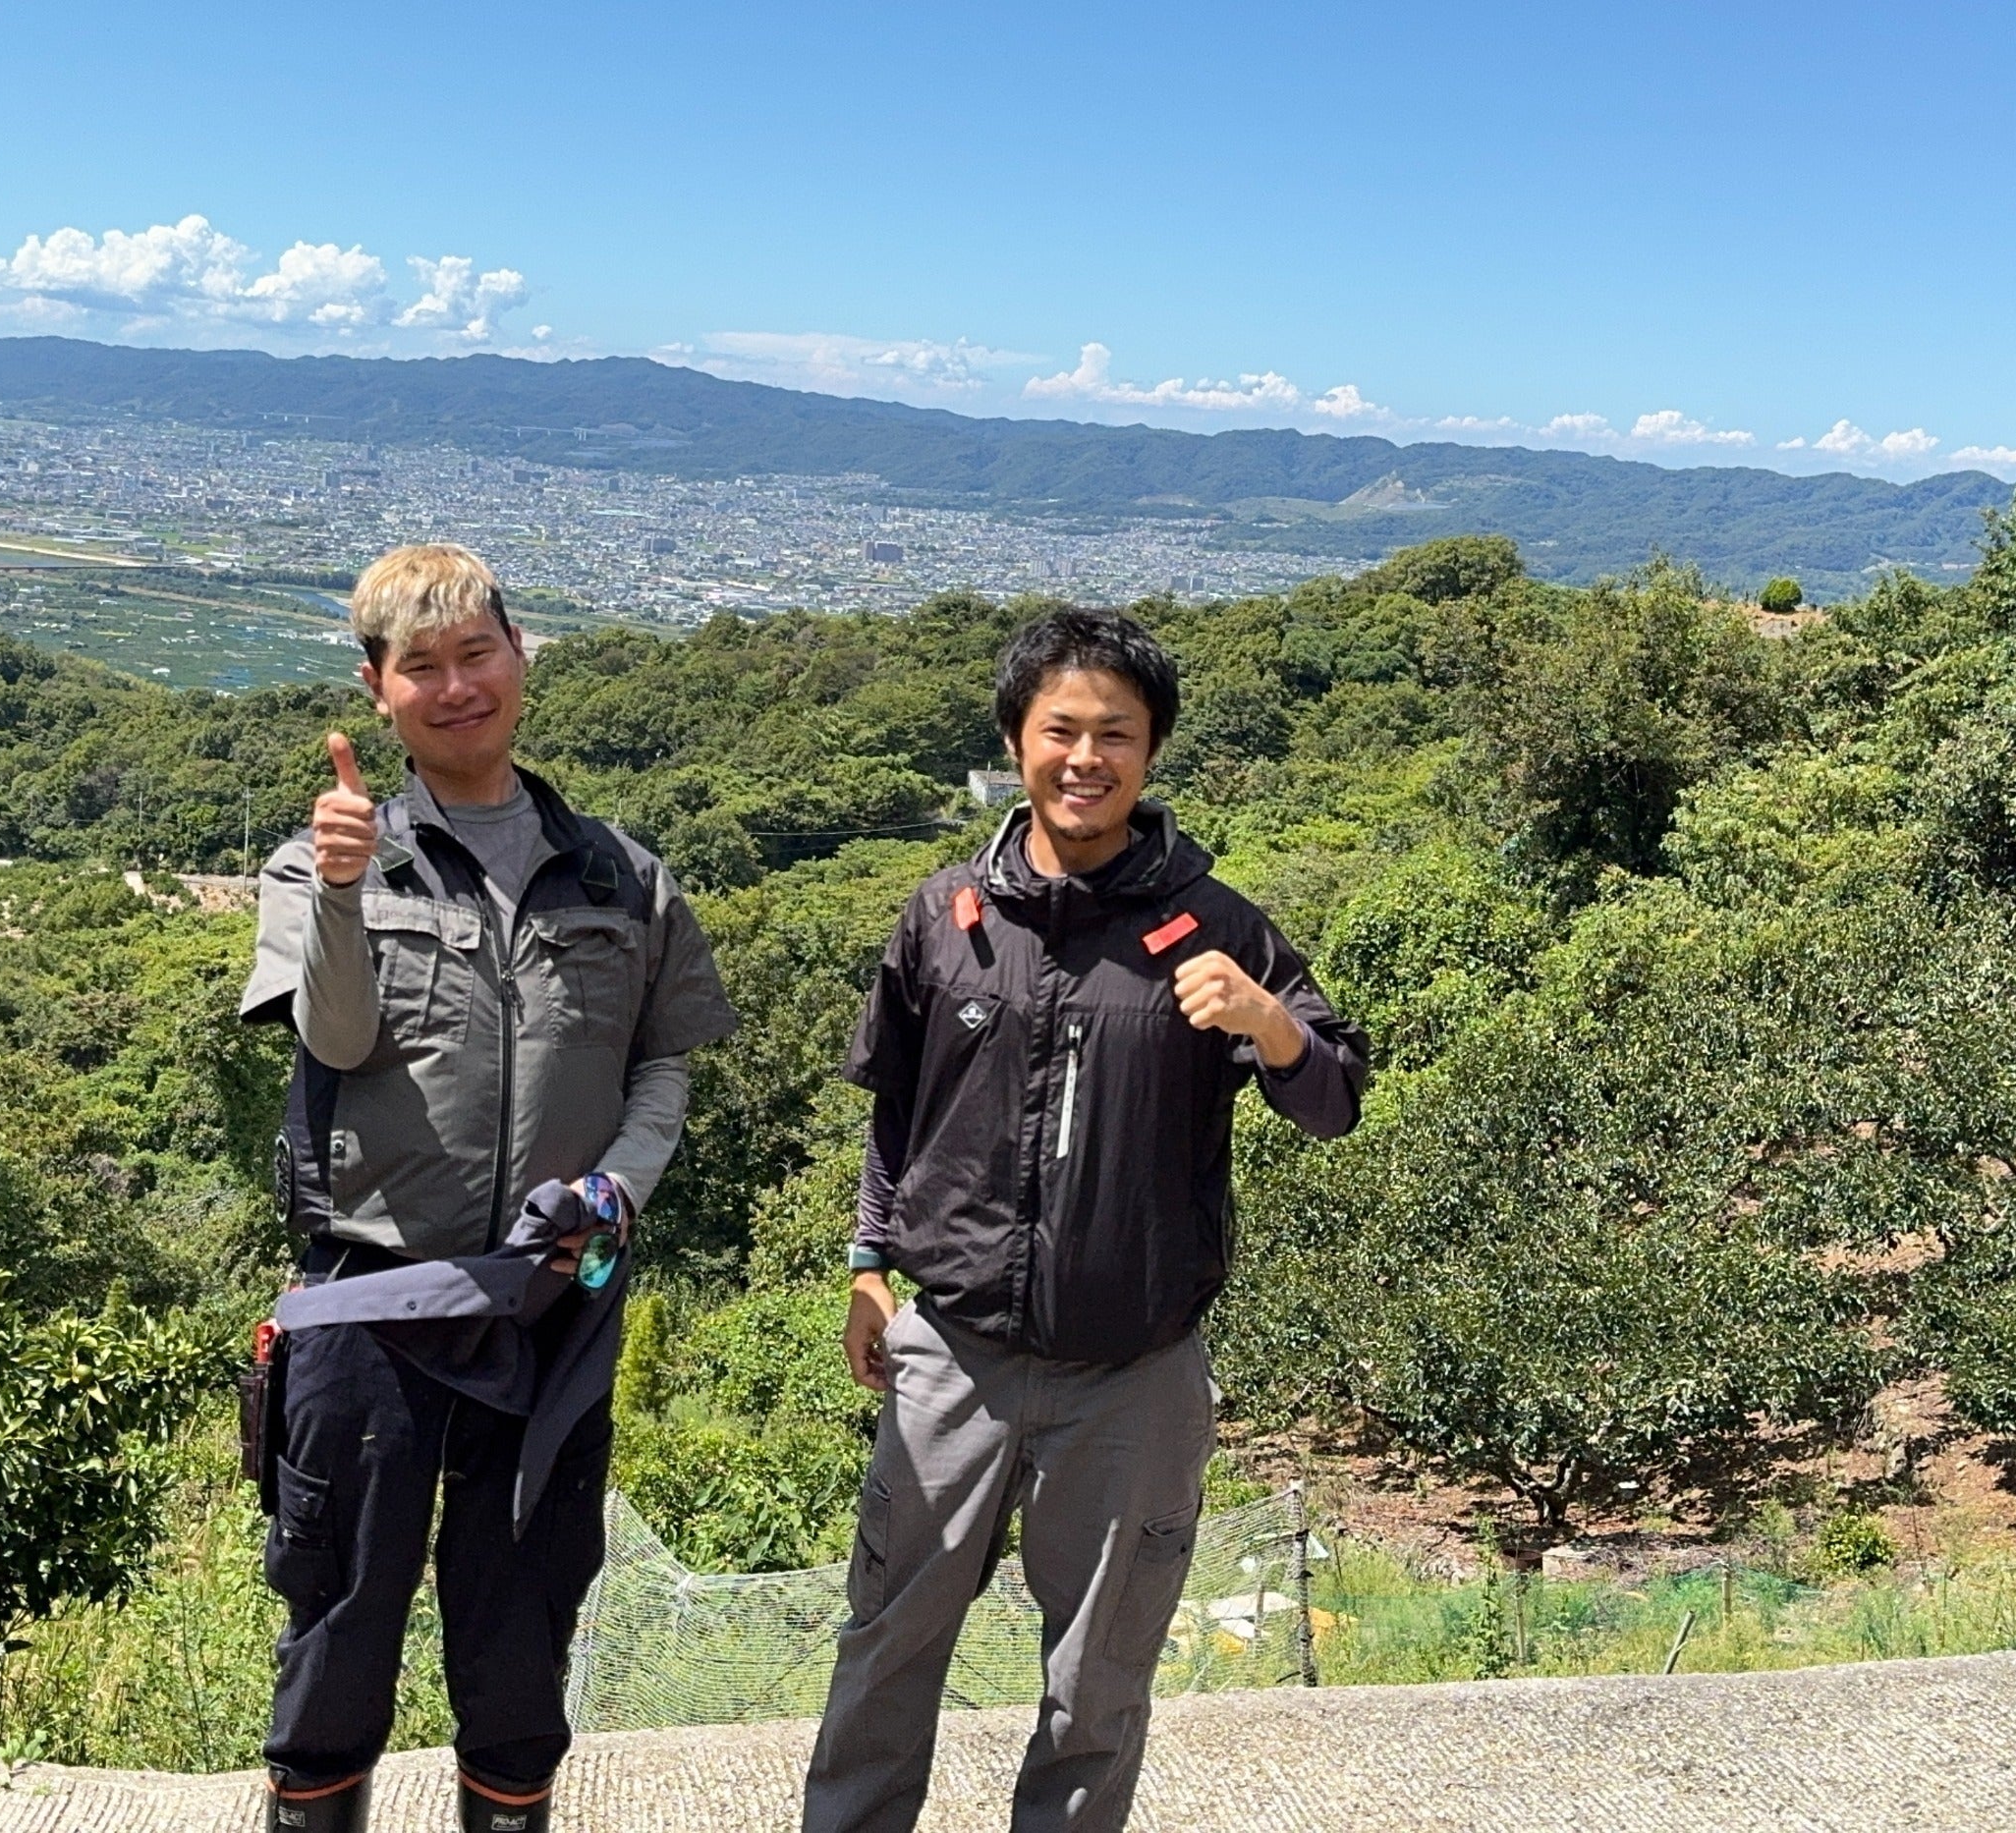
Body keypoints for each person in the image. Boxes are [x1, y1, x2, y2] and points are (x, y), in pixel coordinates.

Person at [803, 606, 1369, 1833]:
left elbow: (1332, 1102)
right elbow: (896, 1113)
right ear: (1017, 739)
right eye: (1061, 729)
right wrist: (867, 1263)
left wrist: (1269, 1023)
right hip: (951, 1355)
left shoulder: (1220, 927)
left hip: (1135, 1375)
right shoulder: (945, 917)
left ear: (1151, 751)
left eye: (1117, 733)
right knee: (887, 1649)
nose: (1086, 758)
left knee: (1097, 1686)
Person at [239, 544, 737, 1833]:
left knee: (524, 1637)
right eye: (423, 666)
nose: (457, 687)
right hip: (371, 1301)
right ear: (377, 686)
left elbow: (663, 1063)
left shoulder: (623, 875)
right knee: (337, 1629)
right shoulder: (319, 862)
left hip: (552, 1300)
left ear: (521, 655)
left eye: (477, 654)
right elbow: (335, 1037)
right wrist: (341, 892)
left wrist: (619, 1191)